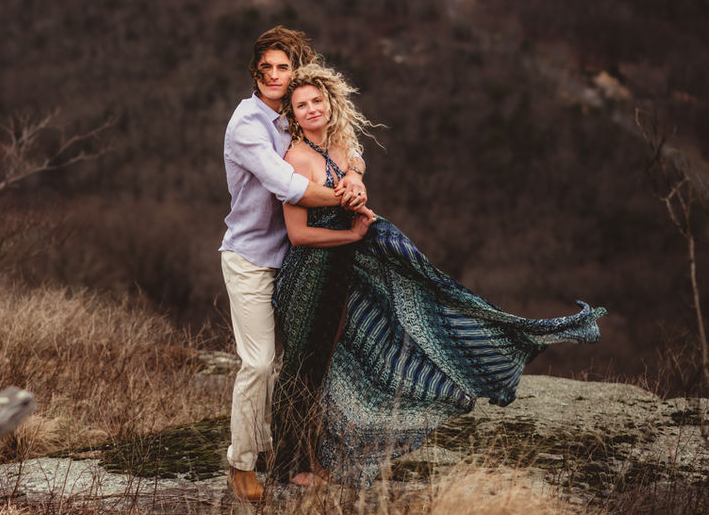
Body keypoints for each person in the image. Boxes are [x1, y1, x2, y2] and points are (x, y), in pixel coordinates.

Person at [271, 63, 607, 487]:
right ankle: (288, 466)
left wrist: (356, 180)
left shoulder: (341, 149)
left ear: (330, 102)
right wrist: (353, 233)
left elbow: (355, 163)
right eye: (301, 105)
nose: (311, 109)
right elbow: (299, 236)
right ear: (294, 116)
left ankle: (314, 460)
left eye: (317, 100)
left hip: (342, 274)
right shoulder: (294, 159)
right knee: (302, 370)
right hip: (308, 278)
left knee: (329, 369)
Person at [219, 26, 369, 502]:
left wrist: (355, 175)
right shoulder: (248, 125)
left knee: (301, 363)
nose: (275, 76)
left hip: (291, 261)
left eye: (284, 67)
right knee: (259, 363)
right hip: (248, 258)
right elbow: (290, 186)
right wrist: (349, 200)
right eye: (266, 68)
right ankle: (241, 464)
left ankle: (273, 447)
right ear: (254, 73)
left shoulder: (291, 114)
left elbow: (343, 143)